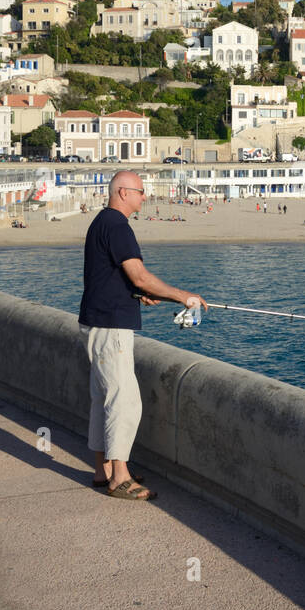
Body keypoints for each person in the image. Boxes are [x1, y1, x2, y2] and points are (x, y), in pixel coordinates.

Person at [80, 171, 207, 501]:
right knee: (124, 400)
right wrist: (182, 296)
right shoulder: (119, 225)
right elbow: (138, 276)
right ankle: (119, 478)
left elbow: (117, 279)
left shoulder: (101, 223)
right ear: (123, 192)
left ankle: (102, 469)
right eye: (139, 191)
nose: (144, 197)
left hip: (96, 321)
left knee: (102, 398)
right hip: (111, 327)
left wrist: (141, 294)